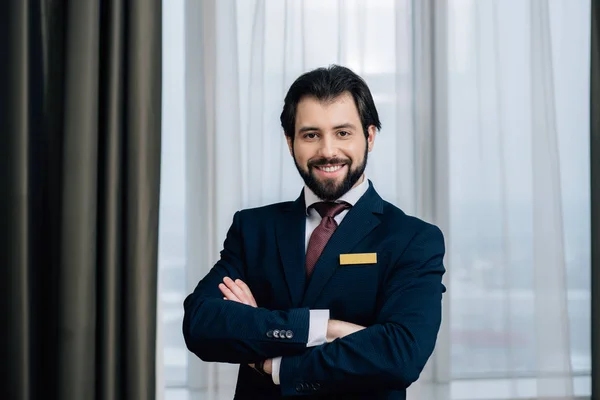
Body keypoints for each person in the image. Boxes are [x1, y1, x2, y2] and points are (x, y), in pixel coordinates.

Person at [182, 65, 446, 399]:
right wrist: (324, 328)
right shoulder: (253, 229)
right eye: (311, 135)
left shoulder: (413, 239)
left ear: (369, 136)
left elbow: (400, 355)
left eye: (343, 133)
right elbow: (201, 324)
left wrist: (273, 363)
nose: (327, 151)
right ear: (290, 142)